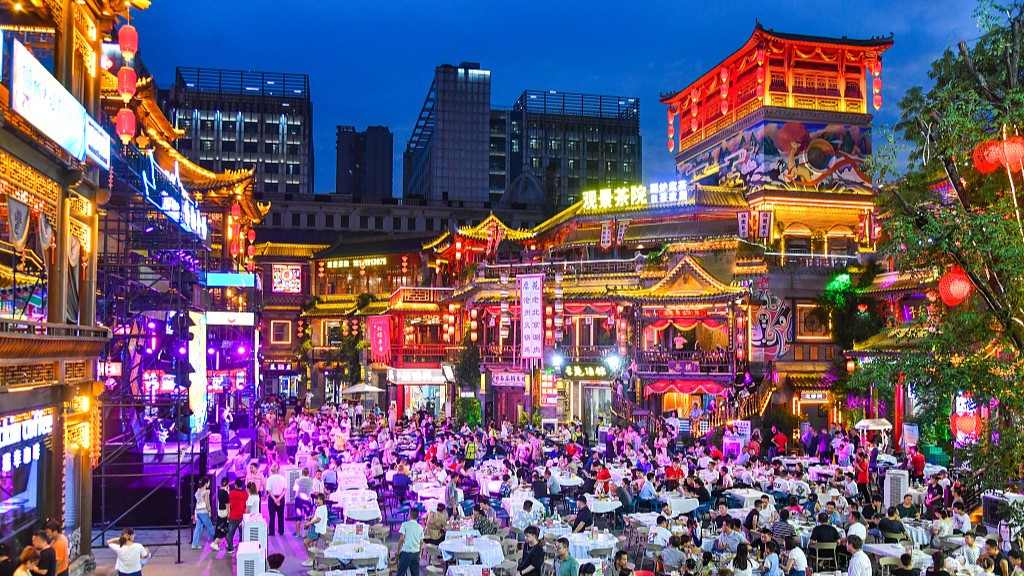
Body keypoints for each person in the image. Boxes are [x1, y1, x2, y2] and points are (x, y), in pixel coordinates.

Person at [300, 493, 329, 567]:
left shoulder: (322, 508)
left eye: (319, 499)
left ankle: (311, 558)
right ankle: (313, 560)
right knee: (314, 545)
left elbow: (318, 519)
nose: (317, 501)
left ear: (323, 500)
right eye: (317, 499)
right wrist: (311, 516)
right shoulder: (320, 507)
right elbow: (317, 515)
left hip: (316, 528)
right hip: (316, 528)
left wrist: (309, 523)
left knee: (306, 543)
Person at [394, 507, 424, 576]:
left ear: (410, 515)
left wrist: (398, 550)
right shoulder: (420, 527)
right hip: (415, 553)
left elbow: (401, 539)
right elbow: (421, 542)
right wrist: (420, 554)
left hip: (406, 553)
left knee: (401, 573)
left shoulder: (405, 525)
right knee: (415, 574)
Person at [190, 477, 216, 550]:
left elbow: (197, 502)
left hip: (198, 511)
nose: (209, 484)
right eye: (208, 483)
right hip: (204, 511)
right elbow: (207, 502)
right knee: (210, 527)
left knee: (198, 528)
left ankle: (194, 544)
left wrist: (195, 513)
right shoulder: (206, 492)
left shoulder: (198, 491)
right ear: (206, 483)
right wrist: (209, 510)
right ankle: (215, 542)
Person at [225, 479, 248, 554]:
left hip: (233, 516)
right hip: (242, 516)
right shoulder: (245, 494)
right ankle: (242, 548)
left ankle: (230, 548)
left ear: (235, 485)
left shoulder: (231, 493)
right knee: (242, 534)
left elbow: (228, 503)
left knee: (230, 533)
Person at [265, 464, 287, 537]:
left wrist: (274, 499)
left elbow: (269, 490)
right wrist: (279, 499)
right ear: (278, 470)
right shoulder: (282, 478)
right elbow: (284, 490)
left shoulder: (269, 479)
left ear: (271, 471)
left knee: (272, 516)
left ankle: (272, 532)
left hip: (272, 498)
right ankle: (281, 531)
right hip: (281, 498)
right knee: (281, 515)